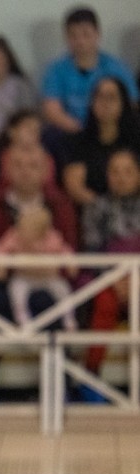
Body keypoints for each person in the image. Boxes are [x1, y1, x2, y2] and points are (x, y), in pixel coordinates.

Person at [0, 144, 79, 402]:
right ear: (6, 169)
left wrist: (51, 265)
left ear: (46, 171)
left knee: (55, 307)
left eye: (33, 166)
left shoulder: (60, 206)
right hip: (7, 281)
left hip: (49, 278)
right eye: (18, 165)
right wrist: (8, 266)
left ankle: (58, 384)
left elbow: (71, 250)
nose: (26, 172)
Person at [81, 148, 140, 392]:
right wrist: (115, 279)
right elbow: (92, 250)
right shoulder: (97, 207)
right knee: (104, 304)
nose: (121, 177)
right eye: (115, 171)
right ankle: (90, 379)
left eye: (127, 171)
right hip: (107, 279)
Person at [40, 6, 139, 137]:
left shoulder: (117, 67)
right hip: (71, 133)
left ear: (97, 34)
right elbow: (52, 110)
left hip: (111, 132)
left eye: (86, 34)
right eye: (73, 36)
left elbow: (131, 104)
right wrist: (82, 132)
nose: (80, 41)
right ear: (66, 37)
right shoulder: (56, 70)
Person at [0, 205, 78, 331]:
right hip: (24, 277)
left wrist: (71, 265)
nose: (24, 230)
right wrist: (0, 267)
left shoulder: (52, 237)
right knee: (16, 291)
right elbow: (1, 249)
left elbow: (65, 251)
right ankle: (23, 320)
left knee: (63, 290)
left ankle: (68, 319)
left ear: (43, 228)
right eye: (22, 226)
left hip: (49, 277)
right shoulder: (14, 235)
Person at [62, 77, 140, 208]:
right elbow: (74, 186)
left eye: (111, 97)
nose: (105, 103)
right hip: (95, 210)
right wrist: (104, 207)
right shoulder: (79, 141)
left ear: (123, 103)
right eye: (99, 97)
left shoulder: (136, 139)